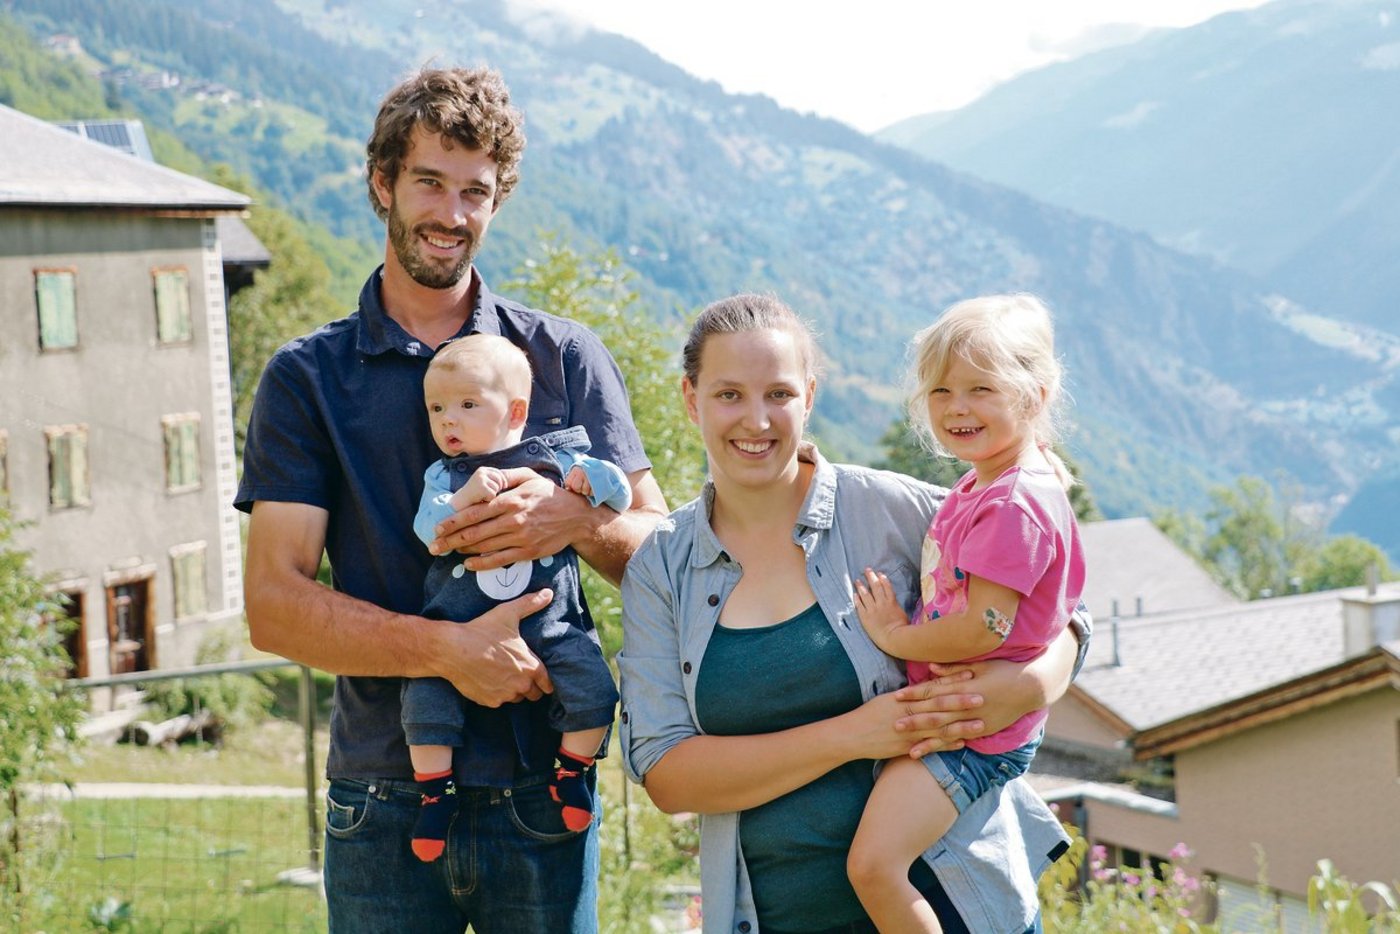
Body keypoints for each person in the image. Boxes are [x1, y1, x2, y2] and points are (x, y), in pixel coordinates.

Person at [236, 66, 666, 933]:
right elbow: (273, 609)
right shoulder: (307, 379)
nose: (452, 213)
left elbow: (665, 563)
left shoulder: (565, 356)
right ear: (381, 182)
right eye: (430, 182)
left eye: (477, 191)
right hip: (383, 791)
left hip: (547, 787)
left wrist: (573, 518)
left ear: (497, 200)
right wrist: (446, 651)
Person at [618, 293, 1089, 934]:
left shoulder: (897, 512)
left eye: (778, 394)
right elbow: (670, 776)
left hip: (964, 904)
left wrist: (1036, 682)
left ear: (808, 396)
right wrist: (856, 734)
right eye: (729, 394)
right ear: (689, 398)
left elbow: (1053, 600)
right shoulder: (661, 570)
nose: (756, 420)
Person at [845, 294, 1087, 932]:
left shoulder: (1011, 503)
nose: (957, 407)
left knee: (874, 866)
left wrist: (896, 633)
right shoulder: (1006, 476)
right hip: (979, 722)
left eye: (982, 388)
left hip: (975, 736)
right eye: (942, 389)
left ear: (1033, 396)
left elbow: (987, 625)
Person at [405, 333, 632, 862]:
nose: (448, 421)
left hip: (551, 624)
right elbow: (429, 531)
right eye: (437, 408)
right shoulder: (443, 475)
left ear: (516, 411)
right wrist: (464, 497)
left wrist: (587, 479)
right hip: (457, 629)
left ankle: (572, 772)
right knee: (424, 701)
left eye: (466, 405)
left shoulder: (555, 457)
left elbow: (620, 491)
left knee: (595, 688)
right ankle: (435, 795)